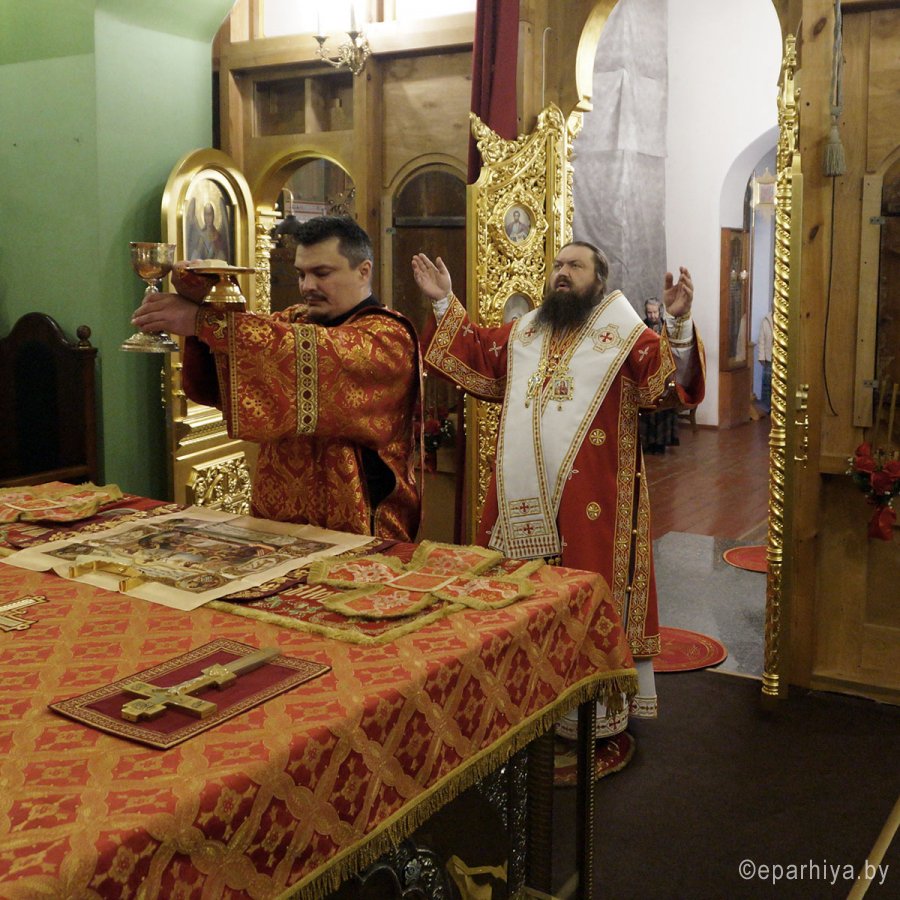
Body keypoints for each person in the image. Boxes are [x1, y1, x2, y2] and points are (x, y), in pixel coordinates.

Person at [411, 242, 705, 735]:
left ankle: (585, 722)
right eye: (558, 266)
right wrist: (444, 301)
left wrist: (677, 323)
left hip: (592, 504)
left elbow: (669, 385)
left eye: (575, 266)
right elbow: (477, 354)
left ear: (599, 280)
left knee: (586, 598)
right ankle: (516, 707)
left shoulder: (624, 336)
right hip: (520, 504)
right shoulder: (526, 332)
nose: (562, 273)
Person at [132, 215, 421, 541]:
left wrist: (205, 323)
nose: (307, 286)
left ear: (363, 271)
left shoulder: (388, 337)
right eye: (301, 274)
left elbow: (314, 353)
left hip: (358, 525)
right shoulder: (295, 319)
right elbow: (246, 355)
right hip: (279, 524)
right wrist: (208, 299)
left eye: (322, 273)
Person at [638, 298, 678, 454]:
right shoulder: (641, 328)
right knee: (648, 409)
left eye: (655, 312)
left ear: (660, 311)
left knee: (663, 409)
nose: (652, 316)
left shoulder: (667, 328)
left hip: (664, 375)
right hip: (647, 375)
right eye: (649, 312)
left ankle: (661, 443)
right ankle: (646, 443)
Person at [758, 310, 773, 412]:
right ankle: (767, 407)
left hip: (781, 357)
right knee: (767, 384)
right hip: (768, 358)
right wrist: (761, 356)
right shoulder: (766, 320)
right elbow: (761, 340)